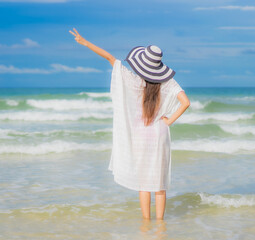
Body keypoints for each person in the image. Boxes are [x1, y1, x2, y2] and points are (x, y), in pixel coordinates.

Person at [69, 28, 190, 220]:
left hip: (141, 133)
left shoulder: (135, 81)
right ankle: (160, 225)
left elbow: (110, 58)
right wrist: (169, 121)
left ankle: (146, 224)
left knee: (144, 183)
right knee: (159, 183)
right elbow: (186, 102)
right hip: (160, 133)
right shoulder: (169, 83)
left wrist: (85, 42)